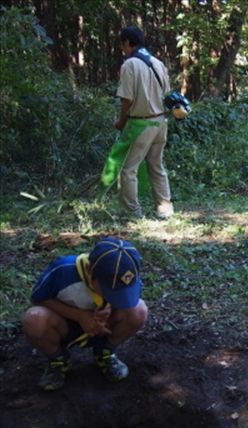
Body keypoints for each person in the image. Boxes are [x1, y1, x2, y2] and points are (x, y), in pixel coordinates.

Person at [22, 237, 148, 391]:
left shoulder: (129, 277)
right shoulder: (63, 271)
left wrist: (110, 308)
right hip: (64, 325)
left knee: (139, 310)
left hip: (104, 325)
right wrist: (80, 316)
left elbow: (129, 302)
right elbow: (38, 299)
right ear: (89, 270)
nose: (114, 296)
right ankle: (58, 360)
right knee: (34, 319)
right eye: (110, 291)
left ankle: (105, 352)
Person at [101, 26, 174, 219]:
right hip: (160, 122)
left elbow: (128, 99)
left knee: (128, 169)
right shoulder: (157, 63)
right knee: (157, 167)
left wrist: (121, 120)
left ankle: (132, 213)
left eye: (122, 44)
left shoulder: (130, 64)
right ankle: (165, 209)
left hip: (141, 124)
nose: (123, 48)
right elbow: (166, 93)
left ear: (127, 42)